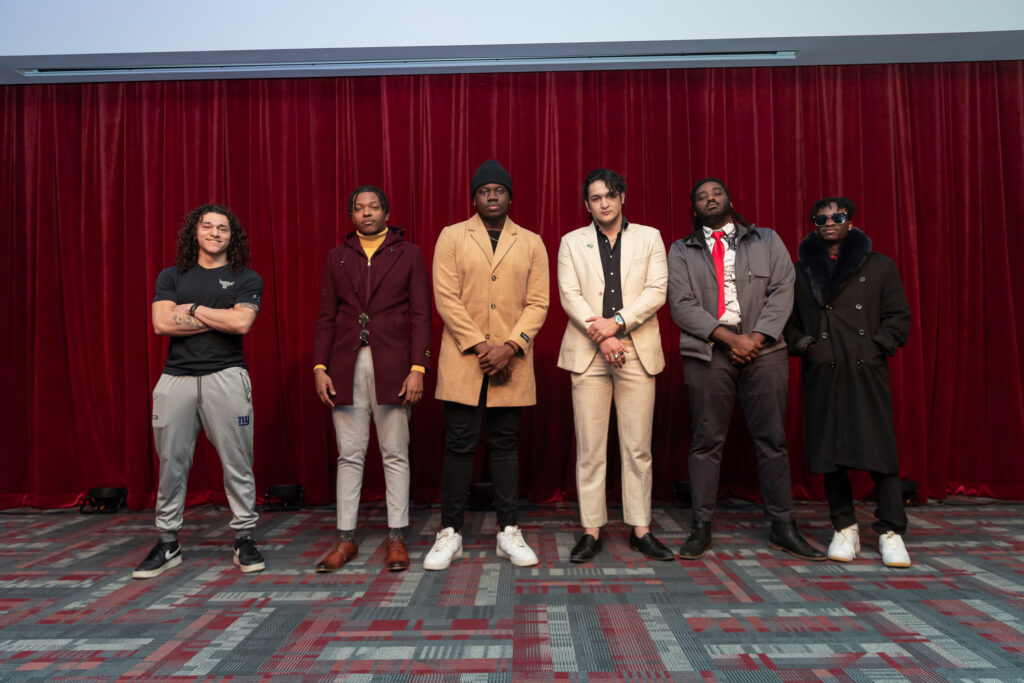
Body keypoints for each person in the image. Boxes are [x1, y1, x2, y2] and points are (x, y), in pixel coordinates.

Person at [666, 178, 824, 561]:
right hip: (708, 352)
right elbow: (680, 303)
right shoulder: (680, 250)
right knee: (706, 442)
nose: (710, 198)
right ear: (694, 209)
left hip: (764, 350)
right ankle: (701, 527)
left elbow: (784, 289)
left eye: (716, 192)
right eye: (702, 196)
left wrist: (756, 337)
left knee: (772, 441)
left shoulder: (767, 240)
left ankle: (782, 527)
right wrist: (727, 338)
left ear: (731, 199)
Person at [424, 159, 549, 570]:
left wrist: (510, 347)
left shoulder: (531, 242)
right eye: (484, 191)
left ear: (510, 196)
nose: (492, 196)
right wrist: (481, 346)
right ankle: (450, 533)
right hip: (465, 360)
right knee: (459, 444)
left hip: (511, 361)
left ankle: (508, 531)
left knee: (505, 445)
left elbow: (538, 303)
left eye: (499, 190)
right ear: (474, 197)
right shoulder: (451, 237)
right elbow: (446, 298)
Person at [134, 204, 265, 579]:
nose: (214, 232)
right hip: (176, 378)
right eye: (207, 226)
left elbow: (241, 323)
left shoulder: (246, 278)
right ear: (195, 232)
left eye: (222, 228)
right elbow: (161, 324)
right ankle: (168, 540)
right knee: (171, 463)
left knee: (237, 461)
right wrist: (216, 317)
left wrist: (189, 310)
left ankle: (244, 537)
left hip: (226, 376)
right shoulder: (171, 275)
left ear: (231, 236)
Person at [784, 197, 912, 567]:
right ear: (813, 225)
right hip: (823, 368)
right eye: (820, 218)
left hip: (864, 368)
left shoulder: (880, 266)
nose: (828, 222)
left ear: (851, 222)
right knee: (830, 453)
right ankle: (845, 527)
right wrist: (806, 346)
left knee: (880, 450)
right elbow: (788, 322)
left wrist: (876, 348)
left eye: (837, 217)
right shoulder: (799, 272)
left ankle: (891, 531)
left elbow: (898, 317)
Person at [312, 185, 432, 573]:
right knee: (349, 454)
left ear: (386, 211)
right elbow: (326, 317)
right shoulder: (337, 257)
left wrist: (418, 367)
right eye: (360, 208)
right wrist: (319, 367)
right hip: (345, 367)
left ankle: (397, 536)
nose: (367, 213)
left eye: (374, 206)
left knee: (395, 453)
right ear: (351, 216)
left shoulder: (409, 254)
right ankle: (345, 537)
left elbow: (421, 315)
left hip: (394, 367)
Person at [556, 168, 672, 563]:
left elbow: (657, 290)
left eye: (609, 195)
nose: (603, 203)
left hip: (637, 352)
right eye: (595, 198)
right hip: (589, 354)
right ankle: (591, 530)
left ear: (622, 197)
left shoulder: (650, 237)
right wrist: (604, 336)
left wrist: (619, 323)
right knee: (590, 448)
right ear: (586, 204)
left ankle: (640, 529)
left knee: (637, 448)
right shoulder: (571, 242)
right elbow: (569, 295)